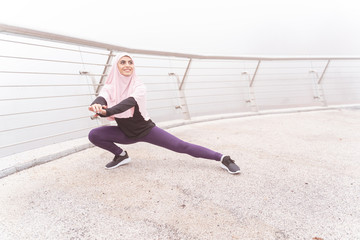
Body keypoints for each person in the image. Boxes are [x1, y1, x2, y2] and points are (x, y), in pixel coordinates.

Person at [88, 53, 240, 174]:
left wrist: (106, 111)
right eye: (123, 62)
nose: (127, 65)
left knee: (181, 146)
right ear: (116, 66)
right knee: (94, 135)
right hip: (125, 133)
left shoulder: (139, 86)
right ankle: (121, 155)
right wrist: (97, 106)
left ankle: (222, 158)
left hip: (146, 131)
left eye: (130, 62)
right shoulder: (110, 86)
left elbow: (126, 104)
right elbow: (102, 98)